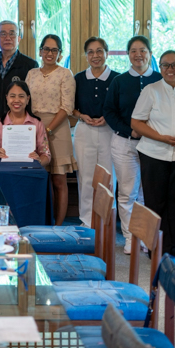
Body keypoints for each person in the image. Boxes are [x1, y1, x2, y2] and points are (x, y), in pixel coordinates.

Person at [131, 50, 175, 262]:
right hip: (154, 154)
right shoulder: (151, 90)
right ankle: (156, 248)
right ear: (159, 68)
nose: (170, 69)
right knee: (155, 203)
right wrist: (162, 138)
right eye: (166, 65)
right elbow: (136, 123)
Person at [103, 35, 162, 255]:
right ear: (128, 54)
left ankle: (145, 236)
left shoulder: (159, 79)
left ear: (150, 53)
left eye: (143, 50)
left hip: (154, 145)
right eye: (134, 50)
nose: (138, 54)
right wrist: (131, 130)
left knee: (147, 193)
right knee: (127, 192)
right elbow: (109, 111)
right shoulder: (119, 81)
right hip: (124, 143)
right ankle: (130, 237)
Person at [25, 34, 77, 226]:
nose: (49, 53)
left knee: (58, 181)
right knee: (38, 178)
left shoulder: (65, 74)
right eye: (46, 49)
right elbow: (25, 101)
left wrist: (47, 129)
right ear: (40, 51)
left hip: (58, 128)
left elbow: (67, 107)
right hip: (33, 127)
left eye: (54, 50)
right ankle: (41, 222)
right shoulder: (31, 73)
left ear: (60, 54)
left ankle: (58, 225)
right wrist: (35, 129)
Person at [72, 37, 120, 227]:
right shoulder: (79, 78)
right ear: (85, 56)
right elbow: (71, 108)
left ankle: (107, 220)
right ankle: (86, 220)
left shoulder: (117, 78)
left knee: (109, 177)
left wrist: (108, 118)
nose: (95, 55)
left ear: (107, 53)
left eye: (99, 51)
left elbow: (120, 107)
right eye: (90, 52)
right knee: (86, 176)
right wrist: (82, 116)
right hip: (85, 131)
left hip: (109, 130)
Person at [0, 20, 39, 128]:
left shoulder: (30, 65)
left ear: (19, 38)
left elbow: (32, 98)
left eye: (12, 34)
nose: (7, 38)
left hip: (19, 124)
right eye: (3, 34)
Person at [0, 80, 51, 168]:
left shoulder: (37, 123)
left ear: (28, 99)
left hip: (29, 173)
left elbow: (46, 155)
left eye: (21, 96)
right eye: (12, 96)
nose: (16, 100)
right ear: (7, 98)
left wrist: (38, 161)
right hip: (3, 172)